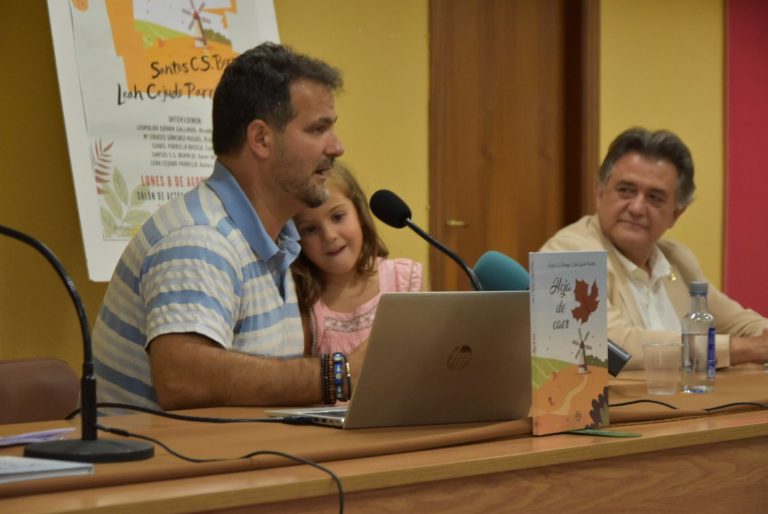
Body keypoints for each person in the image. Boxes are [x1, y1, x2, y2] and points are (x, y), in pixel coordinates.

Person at [92, 42, 364, 411]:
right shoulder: (200, 238)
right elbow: (184, 379)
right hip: (166, 466)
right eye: (318, 129)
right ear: (261, 139)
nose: (337, 147)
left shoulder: (279, 239)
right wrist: (339, 374)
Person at [540, 127, 768, 370]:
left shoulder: (676, 260)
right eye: (626, 190)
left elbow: (740, 324)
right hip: (616, 407)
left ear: (676, 214)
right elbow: (608, 346)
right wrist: (741, 349)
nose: (637, 208)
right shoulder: (566, 254)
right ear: (599, 193)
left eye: (655, 198)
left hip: (689, 405)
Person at [291, 162, 423, 356]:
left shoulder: (403, 280)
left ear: (359, 214)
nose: (329, 236)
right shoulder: (305, 307)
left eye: (337, 217)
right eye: (310, 229)